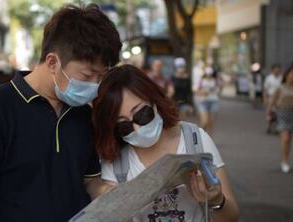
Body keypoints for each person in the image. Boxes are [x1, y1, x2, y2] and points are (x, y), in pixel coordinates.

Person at [0, 4, 122, 222]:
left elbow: (88, 181)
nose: (95, 85)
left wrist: (109, 191)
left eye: (101, 76)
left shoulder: (83, 114)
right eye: (87, 75)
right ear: (52, 61)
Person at [92, 64, 239, 222]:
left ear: (154, 100)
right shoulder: (115, 161)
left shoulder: (195, 139)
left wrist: (217, 201)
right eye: (124, 126)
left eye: (142, 114)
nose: (137, 128)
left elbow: (231, 217)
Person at [267, 65, 293, 173]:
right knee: (285, 138)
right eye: (291, 74)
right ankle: (284, 161)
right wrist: (269, 113)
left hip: (292, 113)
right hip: (281, 113)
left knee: (289, 139)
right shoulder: (280, 87)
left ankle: (286, 159)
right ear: (286, 75)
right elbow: (272, 101)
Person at [194, 66, 220, 137]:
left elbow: (218, 89)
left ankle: (209, 139)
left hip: (213, 101)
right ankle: (201, 136)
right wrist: (203, 91)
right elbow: (196, 90)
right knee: (204, 122)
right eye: (207, 74)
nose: (209, 75)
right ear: (205, 73)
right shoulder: (201, 80)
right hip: (203, 102)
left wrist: (217, 89)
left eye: (210, 74)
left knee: (211, 122)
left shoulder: (215, 80)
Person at [264, 64, 282, 134]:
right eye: (276, 69)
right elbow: (265, 89)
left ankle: (278, 128)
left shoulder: (281, 78)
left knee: (278, 113)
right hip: (270, 97)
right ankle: (269, 126)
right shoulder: (269, 78)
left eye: (278, 69)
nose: (277, 70)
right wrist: (265, 98)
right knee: (270, 113)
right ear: (272, 70)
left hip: (279, 98)